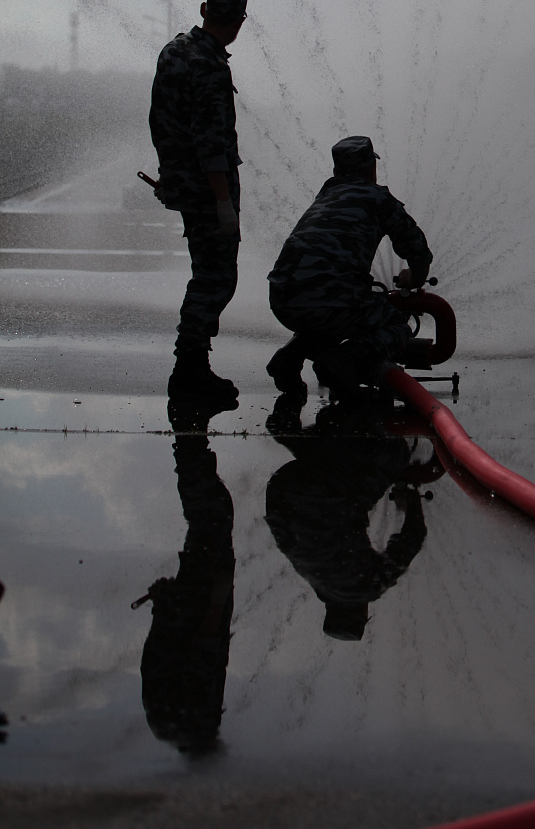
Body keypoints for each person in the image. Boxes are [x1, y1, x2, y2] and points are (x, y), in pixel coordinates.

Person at [266, 134, 432, 397]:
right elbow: (418, 251)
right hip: (331, 301)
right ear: (371, 168)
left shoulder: (325, 195)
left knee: (331, 316)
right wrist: (414, 279)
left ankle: (291, 356)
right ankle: (344, 360)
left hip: (282, 299)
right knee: (396, 325)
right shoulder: (379, 198)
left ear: (336, 171)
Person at [265, 394, 437, 640]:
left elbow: (413, 537)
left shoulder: (364, 589)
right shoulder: (316, 578)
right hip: (286, 488)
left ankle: (359, 424)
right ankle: (300, 433)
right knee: (327, 461)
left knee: (395, 455)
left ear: (358, 612)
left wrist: (410, 495)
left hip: (327, 492)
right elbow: (284, 532)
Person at [149, 0, 248, 404]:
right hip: (208, 190)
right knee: (215, 278)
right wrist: (223, 203)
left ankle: (191, 369)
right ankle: (190, 370)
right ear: (240, 21)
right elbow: (210, 142)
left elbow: (161, 120)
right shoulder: (209, 65)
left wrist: (171, 173)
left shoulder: (173, 51)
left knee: (206, 272)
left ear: (205, 9)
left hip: (185, 182)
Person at [136, 402, 235, 754]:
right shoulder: (162, 722)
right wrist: (164, 607)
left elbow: (205, 651)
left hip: (199, 599)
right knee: (209, 518)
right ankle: (190, 437)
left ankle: (189, 432)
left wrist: (217, 598)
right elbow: (155, 658)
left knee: (213, 516)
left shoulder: (196, 721)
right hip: (182, 605)